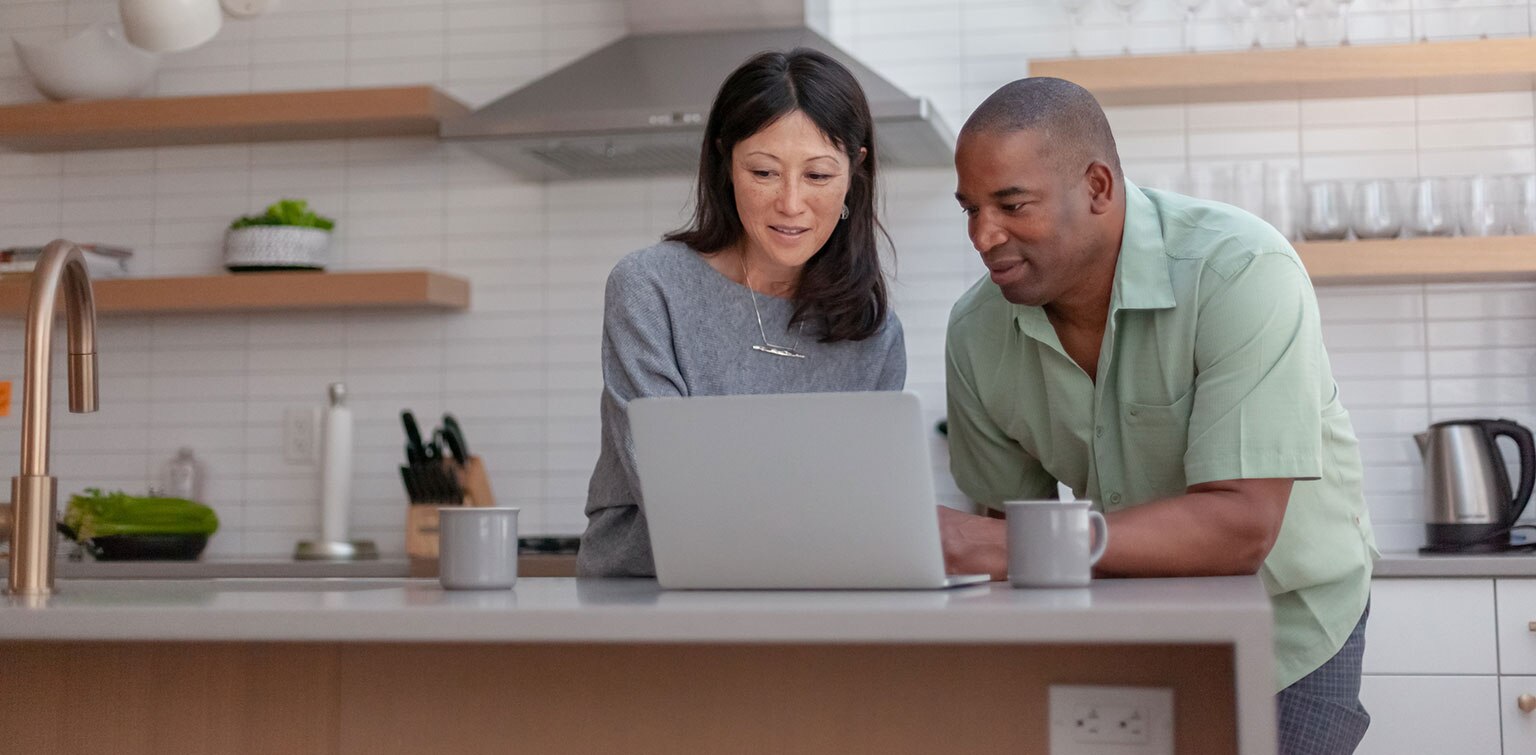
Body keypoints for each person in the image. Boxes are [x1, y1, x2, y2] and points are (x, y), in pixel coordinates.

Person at [941, 77, 1377, 755]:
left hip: (1288, 621)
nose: (982, 234)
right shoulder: (975, 332)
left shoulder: (1239, 269)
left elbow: (1241, 525)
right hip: (1130, 620)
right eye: (969, 209)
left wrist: (999, 547)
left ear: (1097, 188)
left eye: (1011, 204)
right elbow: (1004, 544)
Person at [577, 48, 906, 578]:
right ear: (725, 163)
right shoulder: (650, 288)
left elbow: (866, 507)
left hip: (811, 601)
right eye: (765, 172)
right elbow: (666, 483)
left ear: (855, 173)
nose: (792, 203)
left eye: (818, 175)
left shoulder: (874, 335)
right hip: (645, 601)